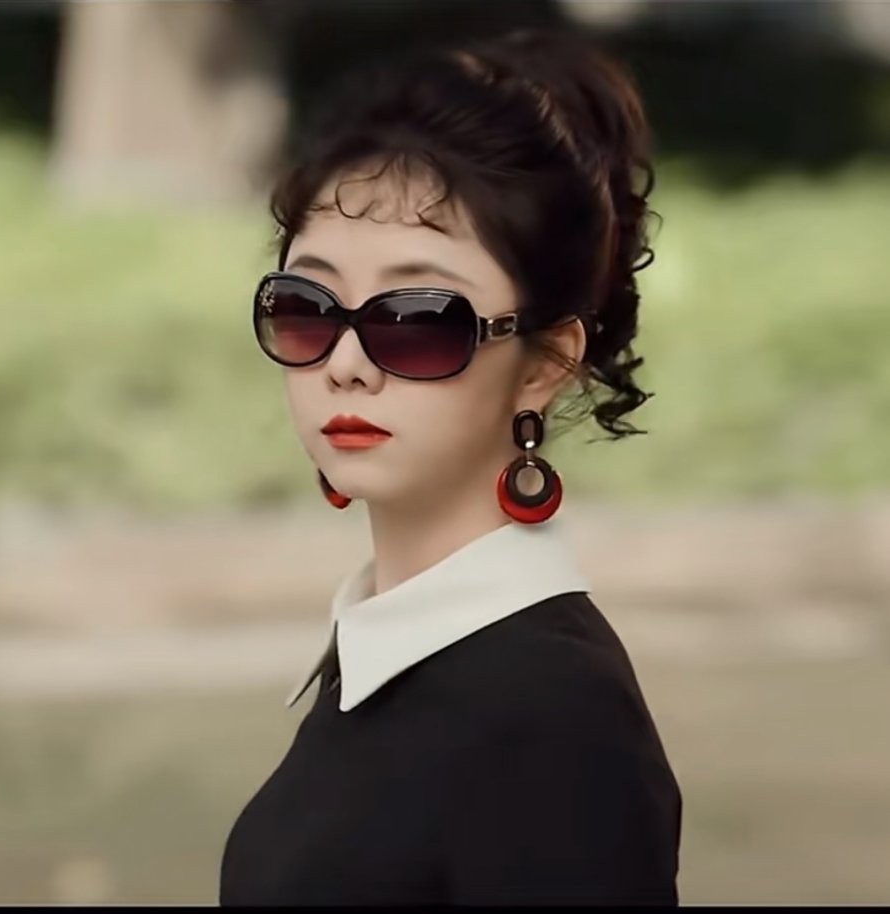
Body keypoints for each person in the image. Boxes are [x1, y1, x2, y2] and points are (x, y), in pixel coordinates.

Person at [219, 24, 681, 906]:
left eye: (418, 322)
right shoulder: (391, 651)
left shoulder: (552, 713)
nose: (346, 363)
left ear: (545, 362)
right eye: (308, 308)